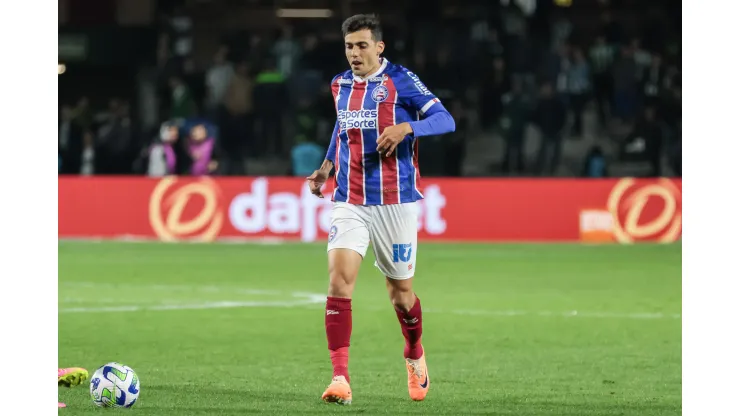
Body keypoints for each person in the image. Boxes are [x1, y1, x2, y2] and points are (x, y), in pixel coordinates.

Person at [305, 14, 456, 405]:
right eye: (349, 46)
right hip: (350, 198)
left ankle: (414, 352)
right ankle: (340, 378)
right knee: (339, 283)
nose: (354, 53)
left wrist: (408, 128)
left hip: (395, 201)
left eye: (362, 45)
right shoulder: (339, 84)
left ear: (379, 47)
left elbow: (445, 119)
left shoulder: (401, 81)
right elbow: (342, 127)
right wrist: (326, 167)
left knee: (401, 294)